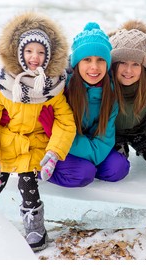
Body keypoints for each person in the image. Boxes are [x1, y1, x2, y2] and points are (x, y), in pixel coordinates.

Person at [0, 11, 76, 252]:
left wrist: (53, 153)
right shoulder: (1, 84)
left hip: (33, 147)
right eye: (29, 51)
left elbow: (66, 122)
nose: (35, 57)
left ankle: (34, 226)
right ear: (20, 53)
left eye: (41, 52)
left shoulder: (52, 87)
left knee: (28, 184)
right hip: (5, 146)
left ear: (48, 56)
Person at [45, 22, 130, 188]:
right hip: (60, 147)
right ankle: (41, 170)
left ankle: (85, 166)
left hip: (87, 146)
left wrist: (91, 153)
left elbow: (105, 140)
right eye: (87, 59)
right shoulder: (62, 88)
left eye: (100, 60)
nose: (94, 67)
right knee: (83, 174)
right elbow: (60, 135)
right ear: (77, 63)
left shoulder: (110, 92)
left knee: (119, 168)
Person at [108, 20, 146, 165]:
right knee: (117, 163)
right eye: (123, 63)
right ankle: (121, 144)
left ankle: (141, 146)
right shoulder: (105, 81)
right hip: (113, 133)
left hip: (142, 129)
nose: (128, 71)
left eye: (135, 64)